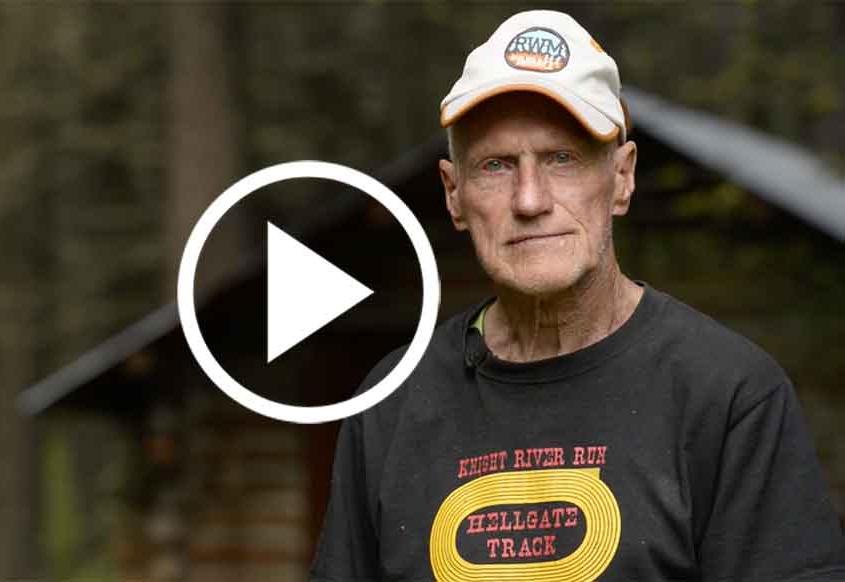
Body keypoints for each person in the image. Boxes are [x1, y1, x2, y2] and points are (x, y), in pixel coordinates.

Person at [309, 9, 845, 582]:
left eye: (562, 159)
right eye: (496, 166)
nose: (530, 200)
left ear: (622, 177)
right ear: (454, 193)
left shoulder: (730, 394)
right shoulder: (392, 404)